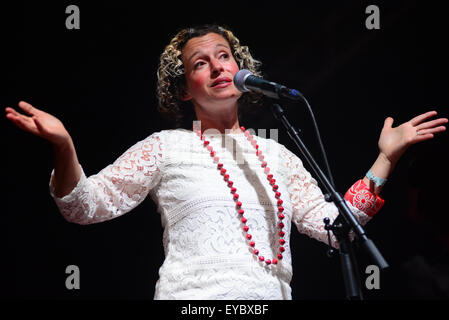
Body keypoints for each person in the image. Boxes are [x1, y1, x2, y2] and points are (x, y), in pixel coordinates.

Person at [4, 24, 447, 300]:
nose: (218, 67)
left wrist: (385, 158)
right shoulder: (165, 147)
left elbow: (339, 229)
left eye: (224, 56)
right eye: (201, 62)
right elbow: (84, 205)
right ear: (182, 89)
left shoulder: (277, 151)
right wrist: (64, 146)